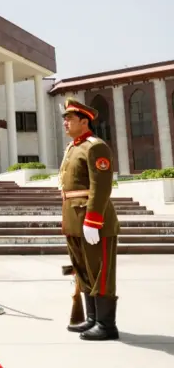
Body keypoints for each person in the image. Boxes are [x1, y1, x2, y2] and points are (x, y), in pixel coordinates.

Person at [59, 97, 119, 341]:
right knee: (83, 270)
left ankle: (106, 325)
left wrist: (93, 220)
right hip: (74, 218)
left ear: (84, 121)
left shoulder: (95, 147)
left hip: (93, 219)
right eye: (64, 119)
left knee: (100, 272)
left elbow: (101, 186)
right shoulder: (74, 148)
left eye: (70, 119)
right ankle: (93, 319)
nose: (65, 123)